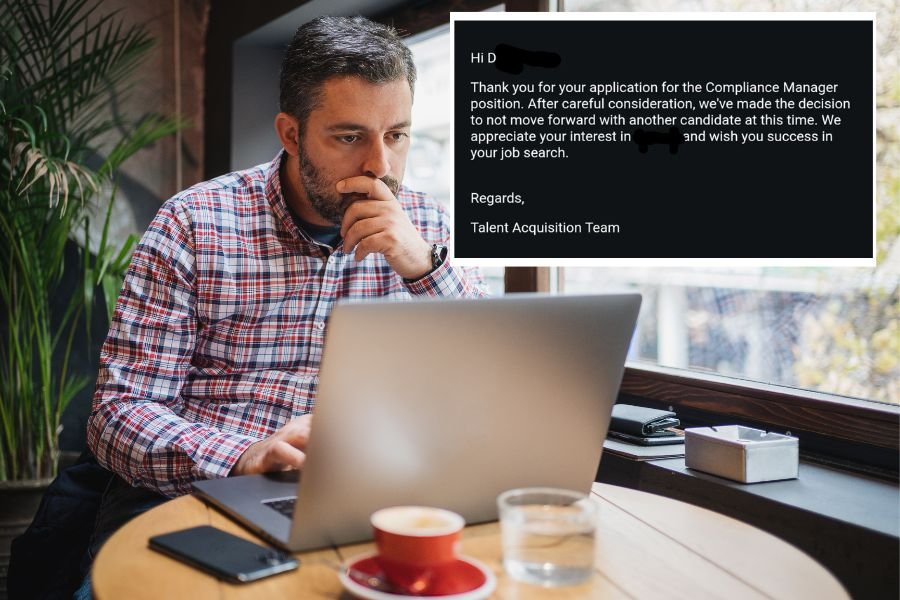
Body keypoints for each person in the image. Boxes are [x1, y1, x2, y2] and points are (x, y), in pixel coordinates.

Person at [70, 14, 486, 598]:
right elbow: (118, 417)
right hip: (198, 495)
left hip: (369, 499)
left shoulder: (429, 228)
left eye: (396, 135)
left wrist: (424, 268)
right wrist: (243, 455)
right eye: (349, 137)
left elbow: (487, 385)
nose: (380, 167)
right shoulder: (193, 224)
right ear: (290, 134)